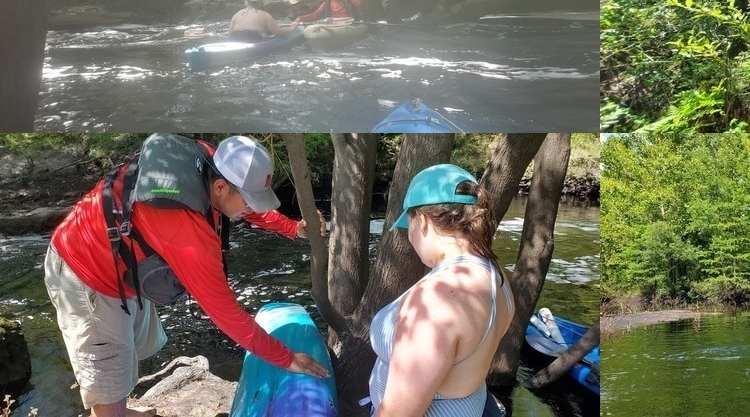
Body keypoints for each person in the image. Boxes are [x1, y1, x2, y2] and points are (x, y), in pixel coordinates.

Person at [44, 134, 329, 417]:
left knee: (125, 349)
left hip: (114, 260)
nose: (251, 209)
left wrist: (291, 228)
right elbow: (227, 315)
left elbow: (238, 204)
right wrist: (286, 358)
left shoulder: (208, 159)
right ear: (219, 187)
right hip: (84, 273)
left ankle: (120, 409)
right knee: (109, 361)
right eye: (250, 201)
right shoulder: (187, 233)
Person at [368, 164, 514, 416]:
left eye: (409, 226)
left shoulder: (436, 298)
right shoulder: (495, 275)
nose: (409, 237)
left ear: (422, 222)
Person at [229, 0, 300, 40]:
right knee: (268, 34)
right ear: (260, 1)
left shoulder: (237, 14)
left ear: (246, 1)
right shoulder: (265, 15)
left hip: (236, 38)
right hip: (253, 38)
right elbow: (278, 32)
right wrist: (292, 28)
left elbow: (230, 33)